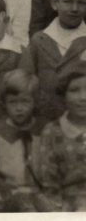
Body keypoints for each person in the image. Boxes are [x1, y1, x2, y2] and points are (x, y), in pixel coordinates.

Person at [20, 0, 86, 121]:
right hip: (44, 120)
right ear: (55, 2)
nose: (75, 8)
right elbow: (25, 83)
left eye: (81, 2)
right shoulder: (39, 40)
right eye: (68, 2)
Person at [0, 69, 52, 212]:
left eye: (25, 101)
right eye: (12, 102)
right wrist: (0, 184)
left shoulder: (45, 128)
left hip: (40, 191)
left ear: (35, 102)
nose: (19, 108)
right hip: (8, 191)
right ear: (4, 103)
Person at [40, 64, 86, 211]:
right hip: (69, 207)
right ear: (63, 95)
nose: (83, 97)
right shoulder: (52, 132)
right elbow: (49, 183)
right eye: (74, 90)